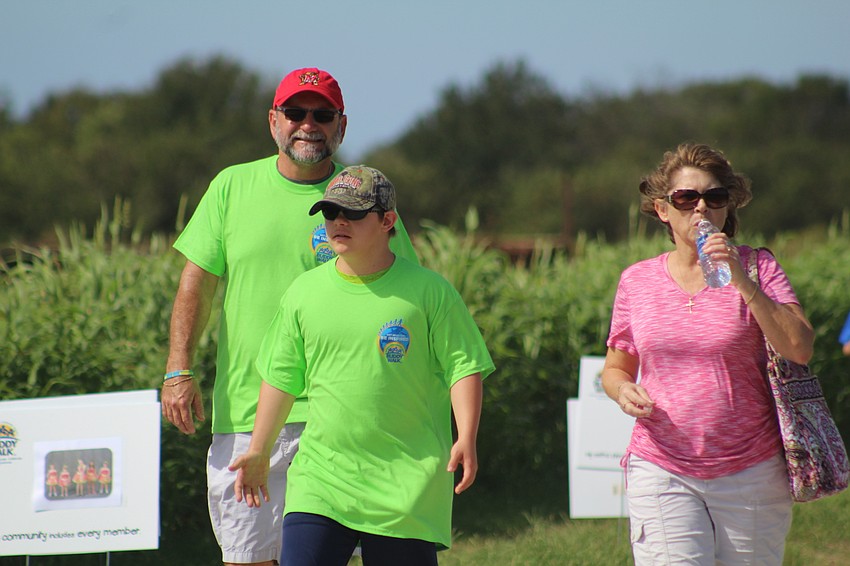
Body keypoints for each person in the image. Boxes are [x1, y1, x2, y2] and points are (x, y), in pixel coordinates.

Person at [160, 69, 419, 566]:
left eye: (322, 115)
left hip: (341, 417)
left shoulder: (367, 198)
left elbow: (404, 301)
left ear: (341, 126)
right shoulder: (231, 187)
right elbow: (197, 283)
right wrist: (178, 368)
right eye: (296, 113)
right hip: (246, 413)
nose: (308, 125)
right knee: (249, 558)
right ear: (273, 121)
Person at [229, 165, 495, 566]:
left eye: (352, 213)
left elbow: (463, 366)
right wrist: (259, 450)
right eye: (330, 212)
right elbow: (281, 378)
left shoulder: (428, 291)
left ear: (387, 221)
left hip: (406, 482)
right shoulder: (304, 292)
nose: (338, 221)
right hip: (321, 479)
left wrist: (467, 435)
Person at [601, 143, 815, 565]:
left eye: (714, 197)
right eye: (686, 197)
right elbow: (615, 367)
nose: (700, 208)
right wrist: (622, 390)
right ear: (663, 209)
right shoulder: (637, 282)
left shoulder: (758, 268)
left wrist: (741, 280)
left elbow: (800, 348)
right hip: (661, 463)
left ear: (727, 209)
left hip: (751, 467)